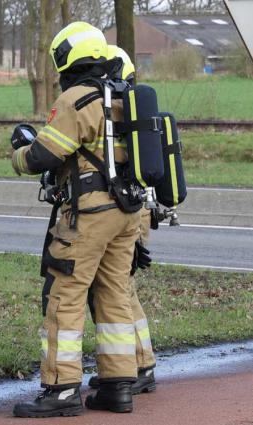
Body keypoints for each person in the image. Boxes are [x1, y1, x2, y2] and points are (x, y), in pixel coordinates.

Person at [9, 22, 141, 417]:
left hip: (91, 213)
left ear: (66, 59)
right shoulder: (125, 95)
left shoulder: (77, 100)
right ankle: (119, 387)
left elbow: (42, 157)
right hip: (128, 213)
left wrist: (19, 152)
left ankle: (61, 390)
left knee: (65, 295)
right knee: (114, 293)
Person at [87, 44, 157, 394]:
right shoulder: (130, 107)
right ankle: (137, 364)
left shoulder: (114, 108)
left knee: (118, 289)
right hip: (136, 207)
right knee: (121, 287)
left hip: (126, 209)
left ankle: (139, 364)